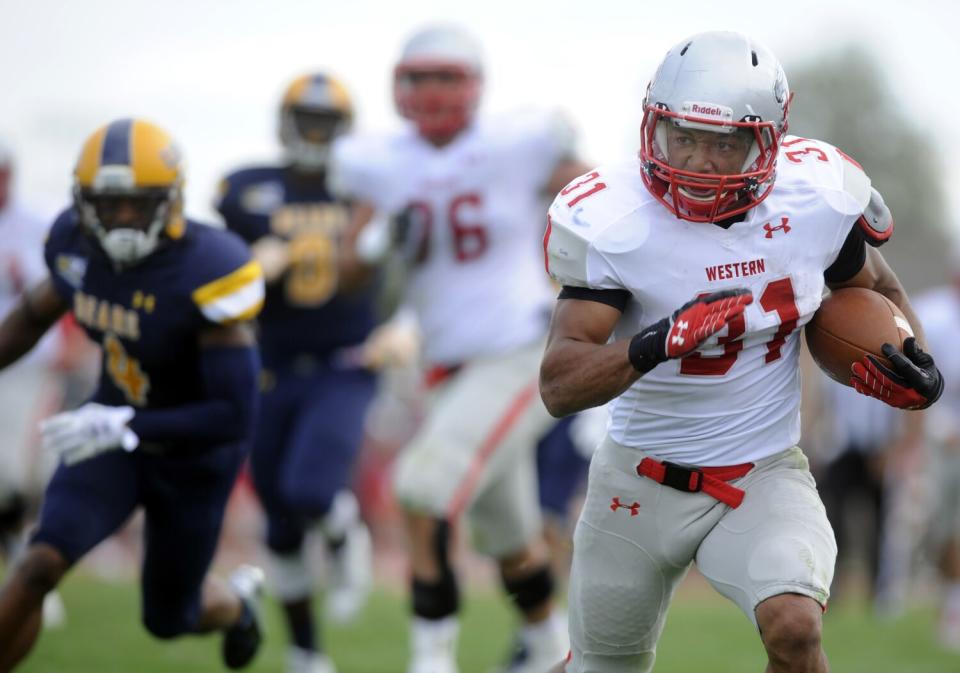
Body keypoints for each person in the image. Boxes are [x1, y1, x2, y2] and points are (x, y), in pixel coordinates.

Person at [539, 31, 943, 673]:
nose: (699, 160)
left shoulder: (815, 200)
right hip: (638, 478)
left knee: (795, 625)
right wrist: (652, 344)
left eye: (723, 143)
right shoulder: (614, 220)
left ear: (766, 143)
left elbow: (876, 288)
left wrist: (915, 360)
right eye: (683, 137)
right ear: (654, 128)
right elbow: (558, 384)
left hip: (762, 474)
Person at [331, 24, 589, 673]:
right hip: (443, 367)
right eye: (420, 77)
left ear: (473, 84)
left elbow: (601, 197)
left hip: (519, 351)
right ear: (399, 84)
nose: (433, 90)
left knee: (420, 487)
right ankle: (553, 650)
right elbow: (344, 273)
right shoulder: (381, 162)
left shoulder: (516, 143)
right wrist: (375, 245)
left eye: (447, 76)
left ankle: (431, 657)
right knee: (508, 538)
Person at [0, 118, 267, 672]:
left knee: (170, 617)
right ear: (83, 200)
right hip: (106, 440)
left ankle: (237, 604)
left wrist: (127, 425)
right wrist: (115, 427)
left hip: (193, 458)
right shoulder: (75, 247)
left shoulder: (208, 268)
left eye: (137, 204)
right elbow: (30, 317)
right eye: (108, 202)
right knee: (38, 565)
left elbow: (233, 414)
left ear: (170, 201)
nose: (121, 218)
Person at [216, 72, 378, 673]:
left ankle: (342, 530)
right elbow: (215, 281)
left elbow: (404, 262)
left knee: (310, 491)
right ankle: (307, 653)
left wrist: (402, 324)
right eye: (306, 122)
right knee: (279, 524)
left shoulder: (366, 188)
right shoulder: (246, 189)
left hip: (345, 363)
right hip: (270, 367)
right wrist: (250, 268)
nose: (314, 134)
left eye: (325, 124)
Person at [908, 271, 960, 648]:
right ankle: (950, 602)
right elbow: (918, 384)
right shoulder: (933, 315)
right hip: (943, 441)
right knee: (944, 528)